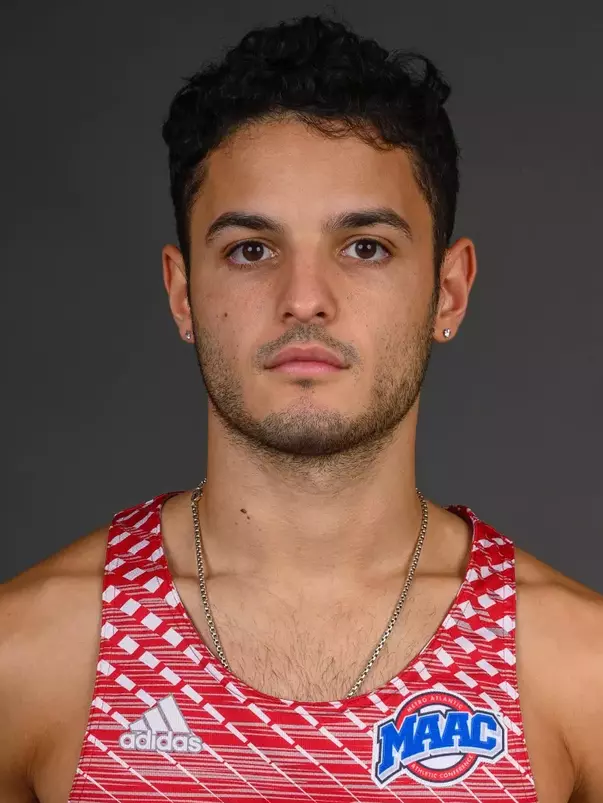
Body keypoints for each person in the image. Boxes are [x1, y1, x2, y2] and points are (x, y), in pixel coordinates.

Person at [1, 13, 602, 803]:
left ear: (446, 291)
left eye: (365, 247)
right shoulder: (31, 658)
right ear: (183, 292)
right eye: (251, 249)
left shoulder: (575, 671)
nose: (304, 300)